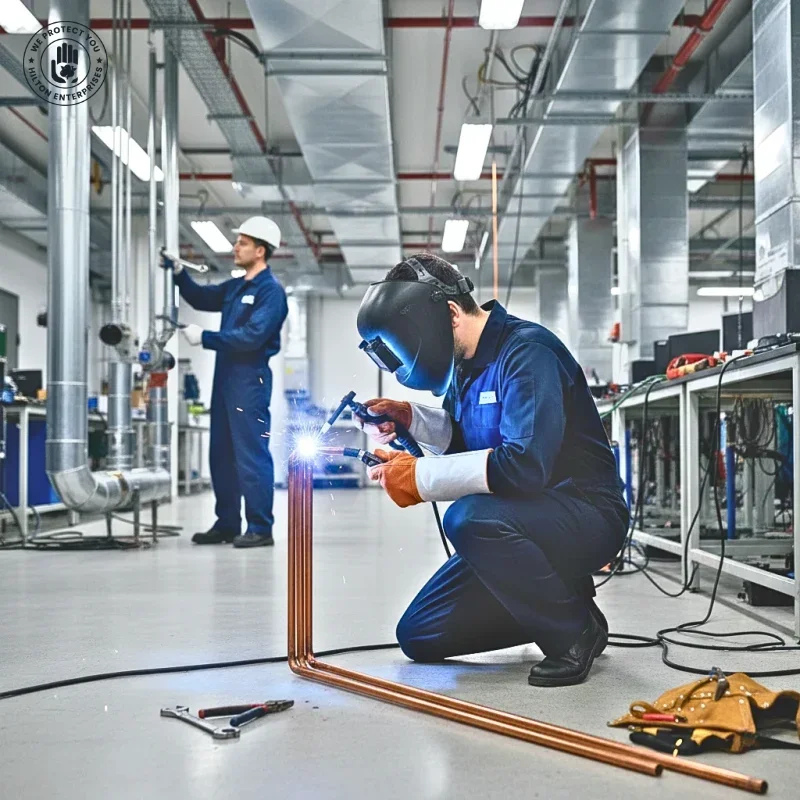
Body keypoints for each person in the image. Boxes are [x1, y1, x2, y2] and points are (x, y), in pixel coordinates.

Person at [355, 253, 628, 686]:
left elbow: (523, 467)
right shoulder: (464, 367)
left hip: (585, 515)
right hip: (521, 519)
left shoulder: (527, 352)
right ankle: (564, 601)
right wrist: (410, 417)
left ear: (448, 312)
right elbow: (465, 442)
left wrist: (418, 479)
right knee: (420, 634)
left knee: (467, 518)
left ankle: (574, 633)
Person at [165, 216, 288, 548]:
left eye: (243, 243)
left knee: (251, 455)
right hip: (224, 381)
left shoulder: (270, 292)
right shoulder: (236, 286)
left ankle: (260, 527)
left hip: (250, 381)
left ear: (260, 251)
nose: (236, 247)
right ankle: (227, 523)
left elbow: (253, 336)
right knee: (220, 454)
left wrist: (204, 337)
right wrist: (179, 273)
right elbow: (202, 298)